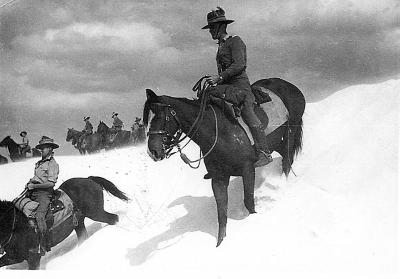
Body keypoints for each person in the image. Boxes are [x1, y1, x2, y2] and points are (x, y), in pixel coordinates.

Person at [202, 7, 272, 167]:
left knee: (247, 112)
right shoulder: (221, 46)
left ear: (222, 26)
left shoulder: (236, 41)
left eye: (213, 27)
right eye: (210, 28)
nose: (211, 31)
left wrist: (219, 77)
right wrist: (216, 81)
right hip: (226, 87)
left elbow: (240, 64)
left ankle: (264, 152)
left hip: (240, 87)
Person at [25, 136, 59, 255]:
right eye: (41, 148)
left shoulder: (52, 164)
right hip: (33, 191)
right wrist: (30, 183)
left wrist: (35, 186)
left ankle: (43, 244)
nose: (42, 150)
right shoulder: (39, 163)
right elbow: (37, 178)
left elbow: (51, 183)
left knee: (39, 216)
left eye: (44, 148)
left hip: (45, 193)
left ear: (50, 149)